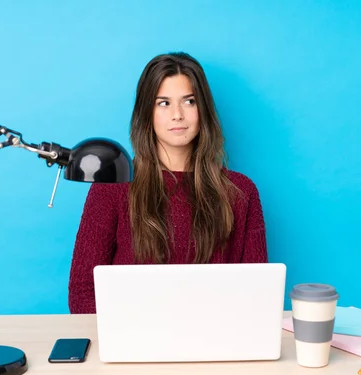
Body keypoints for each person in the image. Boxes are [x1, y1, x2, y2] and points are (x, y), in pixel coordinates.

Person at [68, 52, 268, 314]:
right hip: (132, 342)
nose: (177, 115)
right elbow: (83, 291)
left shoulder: (241, 192)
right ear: (146, 113)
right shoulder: (113, 187)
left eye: (189, 101)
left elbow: (258, 292)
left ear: (203, 109)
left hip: (216, 342)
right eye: (163, 103)